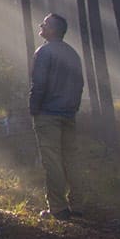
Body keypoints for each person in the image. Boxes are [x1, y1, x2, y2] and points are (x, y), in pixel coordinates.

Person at [29, 12, 84, 219]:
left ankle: (58, 208)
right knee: (71, 159)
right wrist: (73, 107)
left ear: (53, 30)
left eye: (45, 23)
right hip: (68, 114)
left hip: (48, 114)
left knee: (52, 162)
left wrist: (34, 108)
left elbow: (39, 84)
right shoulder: (72, 53)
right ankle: (77, 204)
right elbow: (79, 84)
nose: (41, 25)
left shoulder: (44, 52)